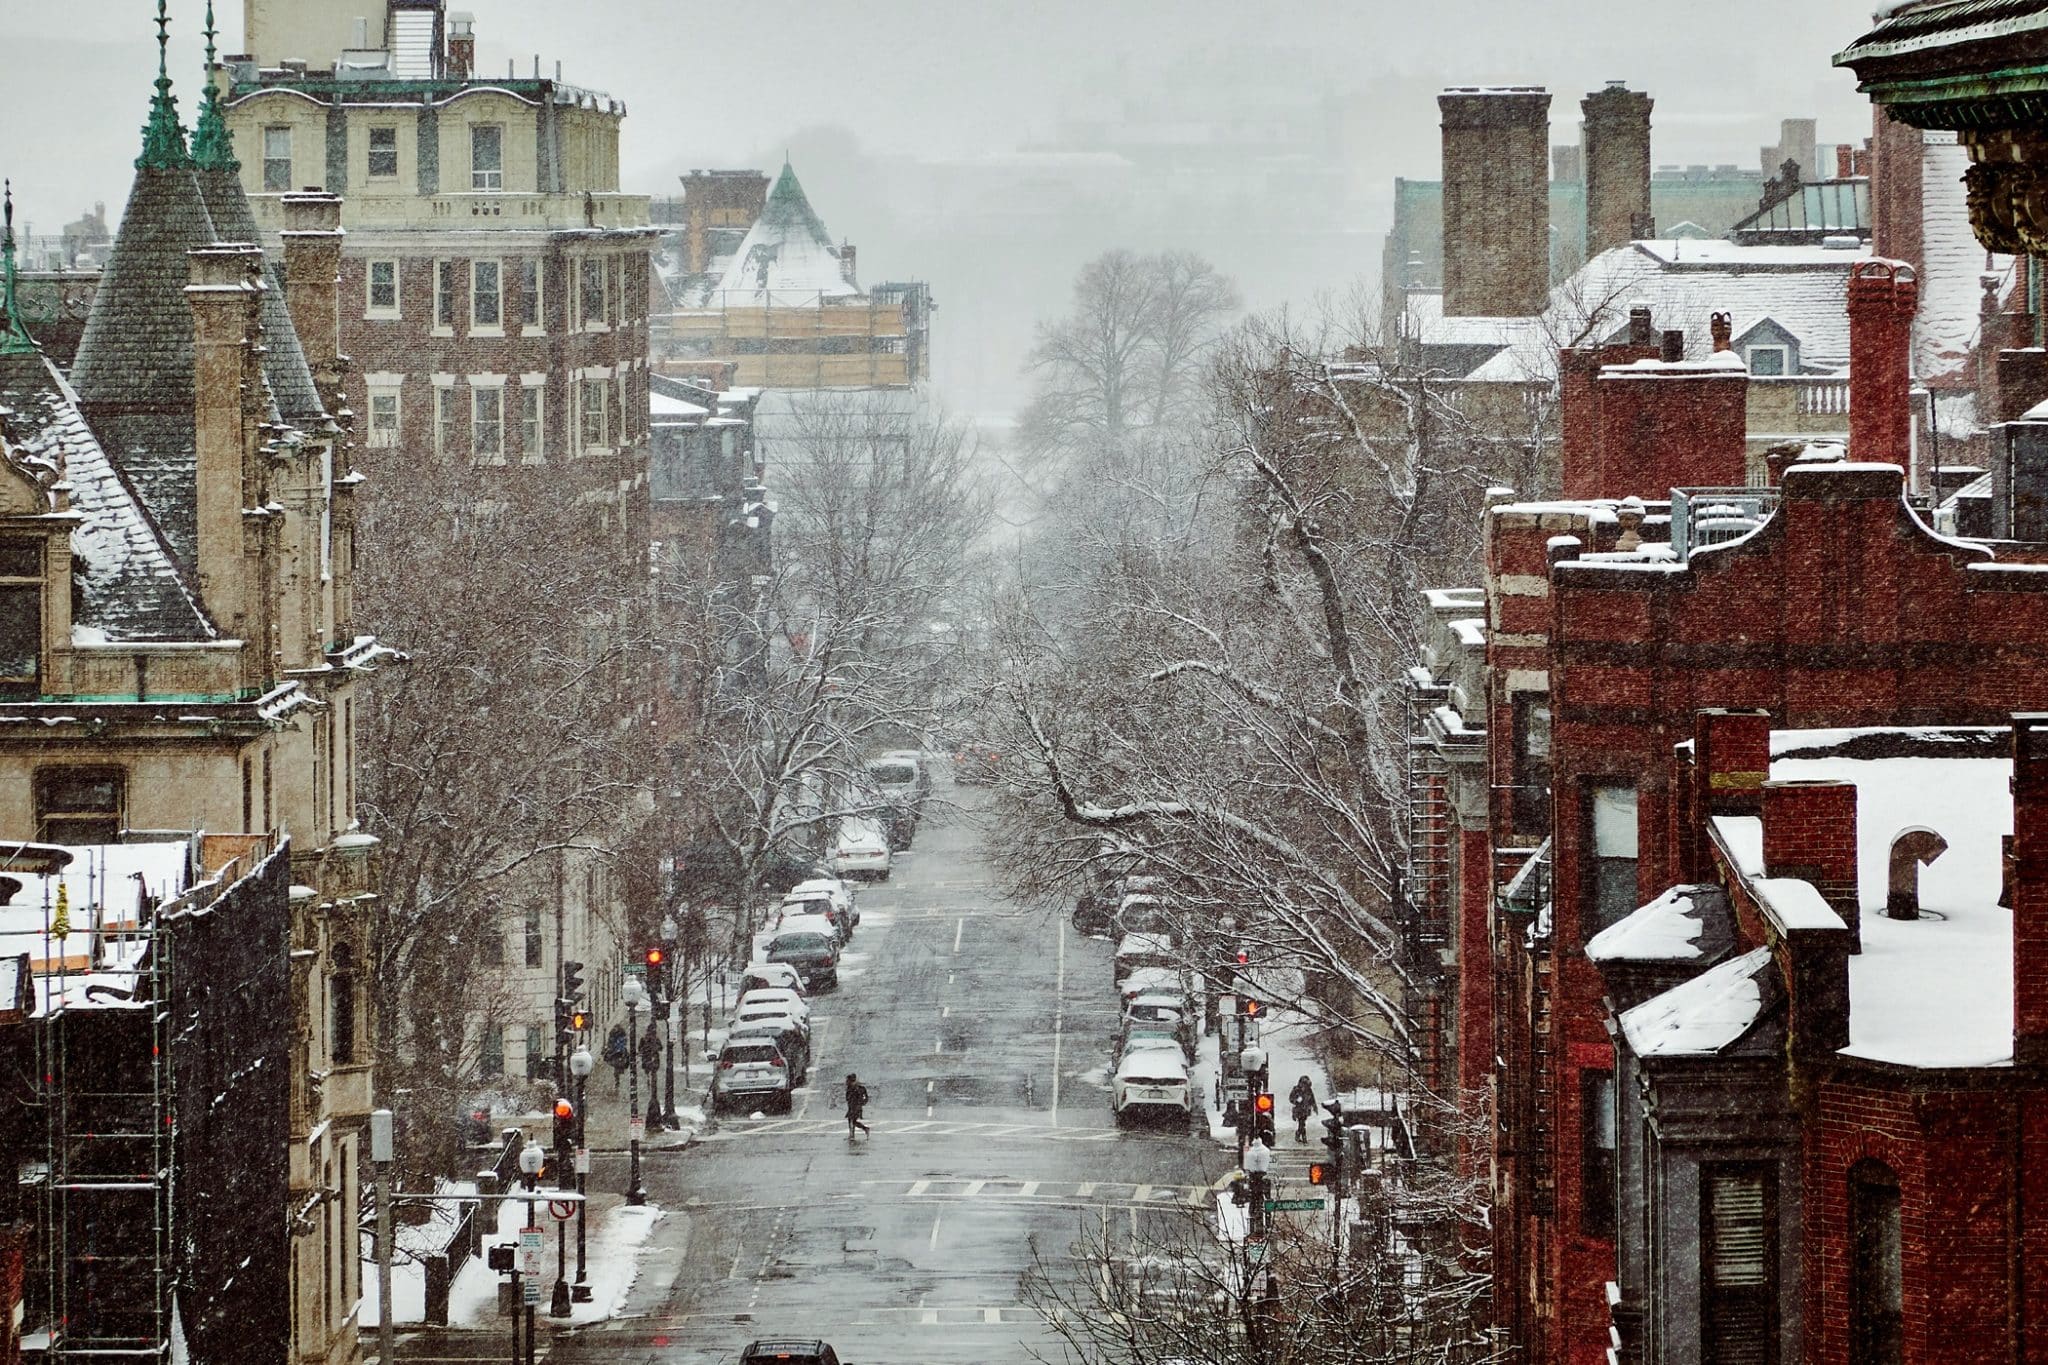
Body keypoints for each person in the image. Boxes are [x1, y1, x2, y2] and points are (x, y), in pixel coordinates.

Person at [603, 1022, 629, 1097]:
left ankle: (617, 1080)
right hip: (615, 1053)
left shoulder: (620, 1035)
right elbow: (610, 1043)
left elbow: (621, 1043)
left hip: (618, 1052)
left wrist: (616, 1048)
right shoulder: (613, 1035)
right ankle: (617, 1080)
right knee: (616, 1064)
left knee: (617, 1064)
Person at [844, 1072, 871, 1139]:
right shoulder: (852, 1087)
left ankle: (854, 1134)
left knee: (852, 1121)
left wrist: (860, 1103)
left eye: (847, 1080)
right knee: (852, 1121)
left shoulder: (857, 1088)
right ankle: (858, 1131)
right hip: (852, 1107)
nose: (846, 1082)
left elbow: (864, 1097)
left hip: (855, 1107)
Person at [1289, 1075, 1316, 1143]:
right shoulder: (1296, 1090)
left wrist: (1314, 1106)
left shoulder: (1309, 1090)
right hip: (1298, 1110)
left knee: (1302, 1123)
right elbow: (1291, 1098)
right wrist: (1296, 1101)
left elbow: (1312, 1099)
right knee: (1302, 1123)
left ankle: (1298, 1134)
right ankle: (1303, 1137)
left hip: (1305, 1109)